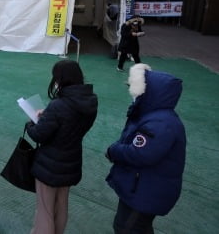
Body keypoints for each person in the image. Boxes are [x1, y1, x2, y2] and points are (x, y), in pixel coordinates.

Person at [106, 64, 186, 234]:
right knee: (134, 227)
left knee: (127, 228)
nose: (134, 94)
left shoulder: (160, 123)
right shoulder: (156, 117)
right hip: (144, 187)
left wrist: (114, 151)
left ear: (149, 92)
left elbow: (141, 153)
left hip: (146, 191)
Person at [25, 60, 98, 234]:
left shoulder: (58, 105)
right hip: (71, 161)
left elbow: (38, 134)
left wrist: (31, 124)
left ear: (61, 79)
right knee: (61, 205)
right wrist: (48, 116)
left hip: (49, 165)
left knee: (45, 210)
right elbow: (69, 125)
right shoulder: (90, 101)